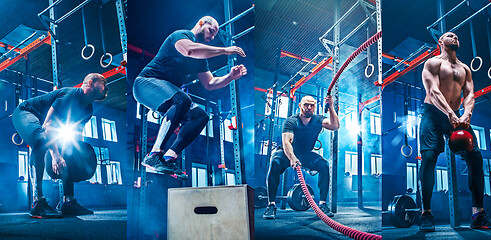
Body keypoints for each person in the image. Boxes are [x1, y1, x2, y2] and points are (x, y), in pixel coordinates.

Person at [133, 16, 247, 180]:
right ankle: (154, 154)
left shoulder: (201, 59)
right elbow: (189, 50)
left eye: (215, 35)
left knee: (201, 116)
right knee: (183, 100)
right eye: (211, 31)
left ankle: (168, 157)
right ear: (201, 24)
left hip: (165, 93)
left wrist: (230, 76)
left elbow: (210, 83)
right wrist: (225, 50)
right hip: (145, 84)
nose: (212, 37)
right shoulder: (181, 35)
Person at [418, 32, 491, 231]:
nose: (455, 37)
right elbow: (433, 91)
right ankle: (426, 213)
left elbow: (470, 93)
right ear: (441, 42)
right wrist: (449, 113)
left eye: (456, 36)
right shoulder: (432, 63)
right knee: (428, 158)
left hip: (458, 116)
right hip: (433, 114)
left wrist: (466, 114)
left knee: (476, 158)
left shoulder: (465, 68)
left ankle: (478, 214)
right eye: (449, 35)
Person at [12, 73, 108, 218]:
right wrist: (55, 155)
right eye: (103, 82)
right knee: (40, 140)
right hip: (25, 112)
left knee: (69, 150)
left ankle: (68, 202)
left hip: (45, 126)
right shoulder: (71, 95)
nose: (107, 87)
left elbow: (75, 136)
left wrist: (67, 156)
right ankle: (37, 202)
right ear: (90, 82)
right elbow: (48, 125)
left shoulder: (88, 110)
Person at [263, 95, 339, 219]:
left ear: (315, 107)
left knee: (324, 165)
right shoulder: (291, 121)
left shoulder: (318, 120)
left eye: (312, 105)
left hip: (305, 154)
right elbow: (286, 142)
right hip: (286, 152)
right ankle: (271, 205)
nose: (308, 107)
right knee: (275, 163)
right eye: (305, 104)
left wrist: (330, 106)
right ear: (300, 106)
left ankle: (323, 204)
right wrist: (292, 158)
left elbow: (335, 126)